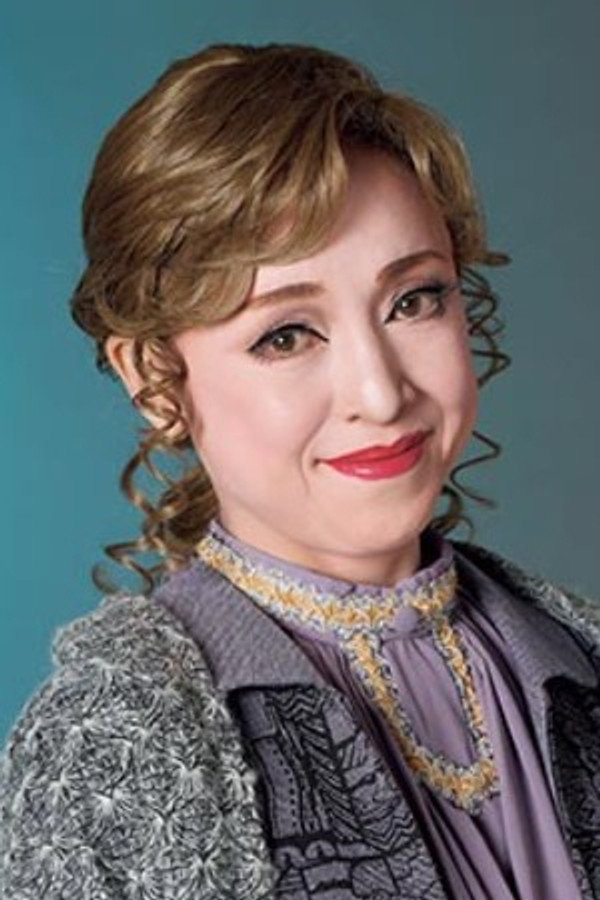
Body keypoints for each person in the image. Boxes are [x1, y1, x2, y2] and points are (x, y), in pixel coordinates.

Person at [1, 41, 599, 900]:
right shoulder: (112, 741)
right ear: (153, 378)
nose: (380, 393)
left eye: (414, 299)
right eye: (286, 335)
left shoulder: (577, 649)